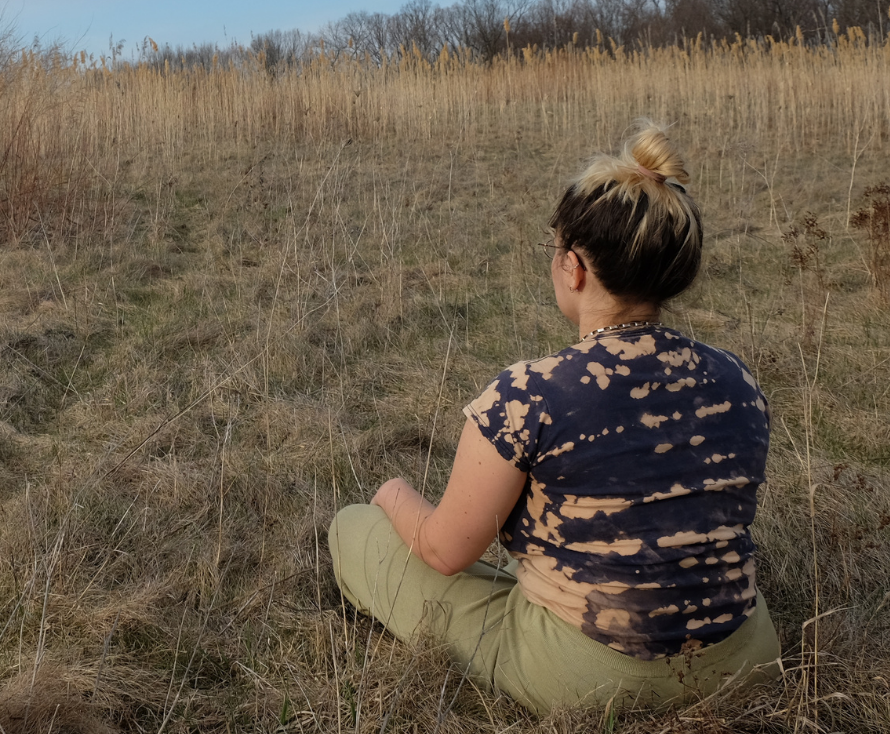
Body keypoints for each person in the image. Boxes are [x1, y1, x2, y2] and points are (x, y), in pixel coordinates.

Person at [326, 122, 780, 714]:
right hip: (744, 658)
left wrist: (391, 494)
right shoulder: (737, 380)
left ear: (573, 268)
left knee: (354, 529)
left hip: (592, 674)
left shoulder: (529, 395)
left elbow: (444, 552)